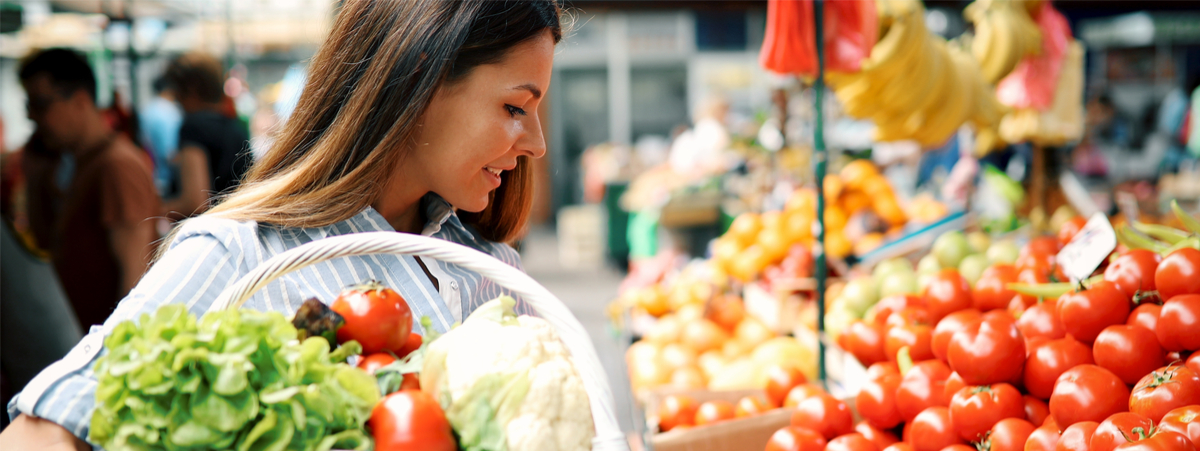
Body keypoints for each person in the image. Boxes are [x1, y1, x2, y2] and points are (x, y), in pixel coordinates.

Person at [0, 0, 560, 448]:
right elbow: (42, 428)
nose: (535, 144)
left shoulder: (493, 267)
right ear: (418, 79)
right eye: (515, 108)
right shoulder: (239, 253)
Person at [14, 48, 161, 330]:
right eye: (28, 106)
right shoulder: (74, 164)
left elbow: (135, 278)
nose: (33, 117)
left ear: (80, 101)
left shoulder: (116, 165)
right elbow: (46, 245)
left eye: (41, 104)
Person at [160, 52, 252, 218]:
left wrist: (155, 210)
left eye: (177, 89)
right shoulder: (236, 125)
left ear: (191, 89)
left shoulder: (194, 127)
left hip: (210, 229)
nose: (175, 98)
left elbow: (195, 203)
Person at [139, 76, 183, 196]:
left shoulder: (147, 109)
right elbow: (170, 153)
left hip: (153, 175)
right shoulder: (169, 112)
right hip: (168, 179)